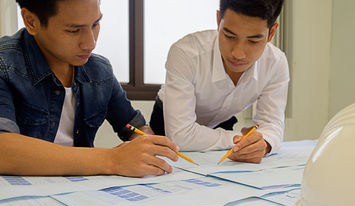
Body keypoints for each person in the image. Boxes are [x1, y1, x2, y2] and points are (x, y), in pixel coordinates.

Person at [0, 0, 179, 178]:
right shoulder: (5, 64)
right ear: (31, 21)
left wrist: (143, 144)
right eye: (73, 30)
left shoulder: (99, 71)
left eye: (95, 24)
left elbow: (134, 127)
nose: (90, 43)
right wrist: (113, 160)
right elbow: (3, 150)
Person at [150, 0, 288, 164]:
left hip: (222, 125)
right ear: (218, 20)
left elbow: (272, 125)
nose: (238, 54)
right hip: (167, 125)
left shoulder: (275, 63)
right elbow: (181, 135)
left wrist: (262, 144)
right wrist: (241, 139)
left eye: (253, 41)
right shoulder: (186, 53)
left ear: (271, 33)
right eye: (229, 36)